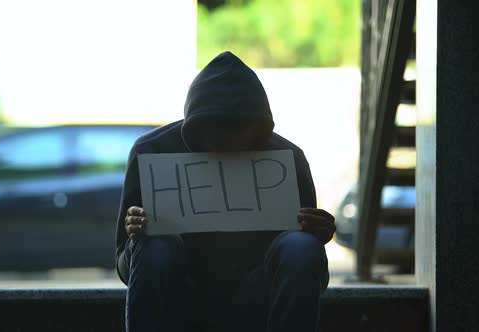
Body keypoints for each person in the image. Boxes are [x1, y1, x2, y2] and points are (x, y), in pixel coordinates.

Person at [115, 51, 336, 332]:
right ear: (197, 127)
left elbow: (308, 269)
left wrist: (316, 239)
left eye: (239, 129)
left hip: (256, 299)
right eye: (218, 129)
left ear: (258, 128)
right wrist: (136, 237)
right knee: (154, 245)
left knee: (301, 246)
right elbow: (124, 267)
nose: (229, 140)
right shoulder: (152, 153)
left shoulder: (287, 159)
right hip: (179, 295)